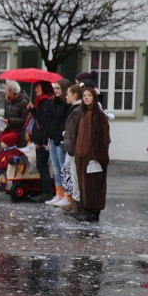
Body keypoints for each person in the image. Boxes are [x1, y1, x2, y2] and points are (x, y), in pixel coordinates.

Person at [72, 85, 111, 222]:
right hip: (82, 153)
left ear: (94, 98)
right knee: (84, 184)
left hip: (94, 155)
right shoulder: (83, 114)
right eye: (84, 96)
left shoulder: (98, 115)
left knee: (94, 184)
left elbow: (103, 137)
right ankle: (86, 208)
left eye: (89, 95)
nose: (86, 98)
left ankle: (94, 211)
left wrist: (98, 156)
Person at [45, 79, 72, 208]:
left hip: (60, 140)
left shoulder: (66, 105)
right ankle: (58, 194)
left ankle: (67, 195)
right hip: (52, 138)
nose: (55, 91)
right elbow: (51, 121)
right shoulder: (53, 103)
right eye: (54, 88)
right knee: (55, 168)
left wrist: (58, 135)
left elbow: (63, 122)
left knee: (63, 168)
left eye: (58, 88)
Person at [29, 80, 56, 201]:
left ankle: (46, 192)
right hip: (40, 139)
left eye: (38, 87)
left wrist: (43, 141)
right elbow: (39, 119)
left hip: (42, 140)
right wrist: (32, 110)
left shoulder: (45, 103)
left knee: (42, 167)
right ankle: (44, 191)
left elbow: (45, 124)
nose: (35, 90)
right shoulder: (42, 103)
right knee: (41, 166)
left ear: (44, 88)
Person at [61, 83, 83, 215]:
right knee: (69, 173)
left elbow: (76, 131)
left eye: (68, 94)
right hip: (70, 147)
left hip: (73, 148)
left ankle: (76, 202)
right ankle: (72, 201)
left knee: (74, 175)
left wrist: (72, 145)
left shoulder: (77, 110)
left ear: (74, 95)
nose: (66, 96)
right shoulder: (74, 109)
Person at [3, 80, 28, 145]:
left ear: (12, 92)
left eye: (6, 90)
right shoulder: (8, 100)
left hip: (19, 133)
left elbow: (25, 119)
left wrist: (10, 120)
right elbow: (6, 114)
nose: (4, 92)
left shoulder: (23, 102)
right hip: (9, 129)